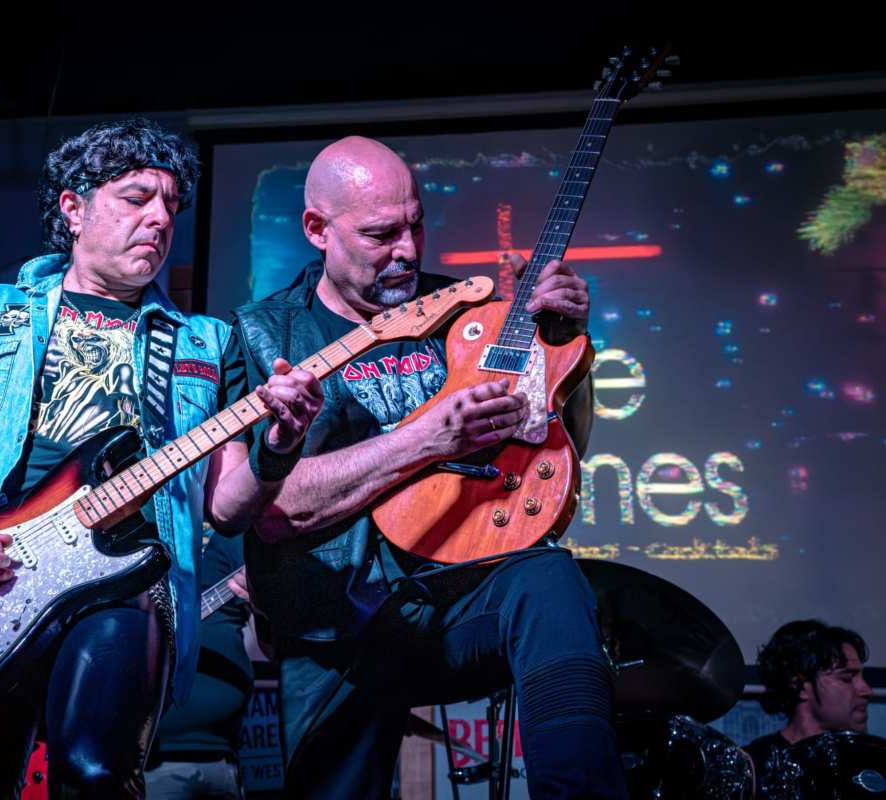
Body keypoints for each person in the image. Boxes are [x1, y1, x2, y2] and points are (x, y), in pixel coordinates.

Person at [0, 118, 322, 798]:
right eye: (136, 197)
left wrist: (279, 449)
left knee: (95, 773)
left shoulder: (207, 344)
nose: (159, 218)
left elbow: (227, 506)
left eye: (172, 206)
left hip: (122, 579)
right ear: (74, 206)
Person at [209, 135, 626, 798]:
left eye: (416, 225)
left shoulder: (465, 309)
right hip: (335, 623)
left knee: (548, 581)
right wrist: (425, 439)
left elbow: (552, 446)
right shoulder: (264, 337)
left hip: (456, 594)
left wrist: (563, 346)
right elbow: (277, 511)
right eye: (380, 234)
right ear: (317, 229)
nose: (407, 249)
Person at [146, 531, 253, 799]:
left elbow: (271, 645)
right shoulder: (149, 530)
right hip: (157, 758)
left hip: (224, 755)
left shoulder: (233, 534)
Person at [744, 619, 872, 791]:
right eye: (847, 678)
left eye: (862, 678)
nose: (866, 690)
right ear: (800, 685)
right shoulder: (753, 765)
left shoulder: (870, 764)